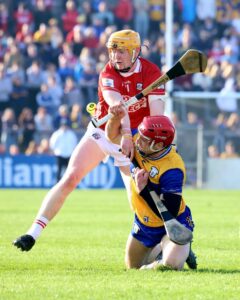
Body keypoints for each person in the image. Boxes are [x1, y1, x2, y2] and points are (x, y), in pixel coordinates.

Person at [13, 29, 166, 252]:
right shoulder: (107, 73)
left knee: (137, 198)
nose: (116, 56)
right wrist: (124, 134)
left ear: (134, 52)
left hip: (134, 140)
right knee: (70, 178)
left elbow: (157, 116)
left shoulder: (152, 73)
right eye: (113, 51)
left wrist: (141, 142)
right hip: (102, 133)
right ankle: (32, 233)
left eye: (122, 51)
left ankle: (166, 243)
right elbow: (117, 106)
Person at [105, 104, 196, 270]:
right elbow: (111, 135)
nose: (137, 141)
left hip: (174, 223)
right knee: (132, 267)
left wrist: (144, 190)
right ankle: (162, 249)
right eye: (138, 136)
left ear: (158, 146)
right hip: (144, 222)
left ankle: (177, 250)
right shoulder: (140, 140)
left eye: (143, 140)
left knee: (172, 265)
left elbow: (170, 213)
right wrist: (115, 118)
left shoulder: (172, 168)